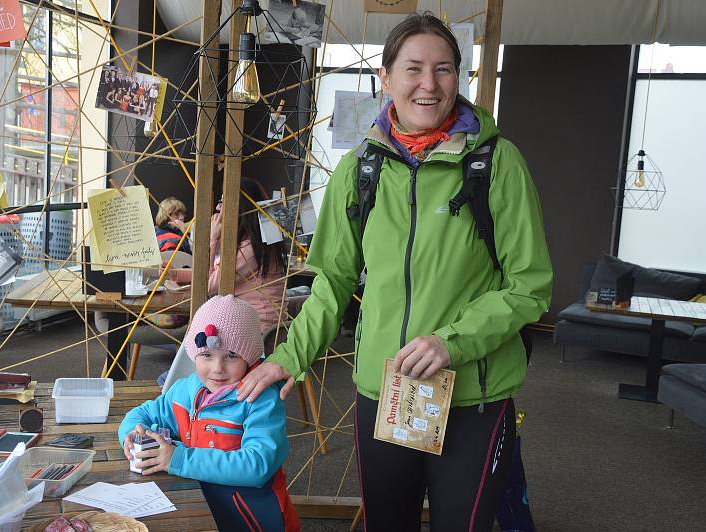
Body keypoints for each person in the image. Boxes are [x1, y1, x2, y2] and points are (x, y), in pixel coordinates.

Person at [238, 12, 553, 532]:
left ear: (461, 77)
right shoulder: (359, 170)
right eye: (413, 69)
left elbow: (530, 287)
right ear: (386, 78)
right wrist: (288, 358)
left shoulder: (498, 164)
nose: (428, 84)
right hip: (385, 394)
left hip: (473, 394)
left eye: (444, 69)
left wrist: (451, 342)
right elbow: (332, 282)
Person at [118, 295, 300, 531]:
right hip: (200, 512)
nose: (217, 369)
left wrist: (177, 458)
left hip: (254, 521)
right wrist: (132, 436)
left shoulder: (261, 400)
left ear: (251, 357)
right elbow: (141, 415)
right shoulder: (185, 390)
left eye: (232, 356)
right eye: (206, 355)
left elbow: (258, 466)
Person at [166, 178, 288, 333]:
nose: (217, 207)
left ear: (239, 207)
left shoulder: (250, 249)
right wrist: (175, 274)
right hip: (249, 322)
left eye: (222, 202)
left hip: (258, 330)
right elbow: (214, 275)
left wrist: (212, 239)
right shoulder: (252, 242)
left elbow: (208, 286)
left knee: (197, 336)